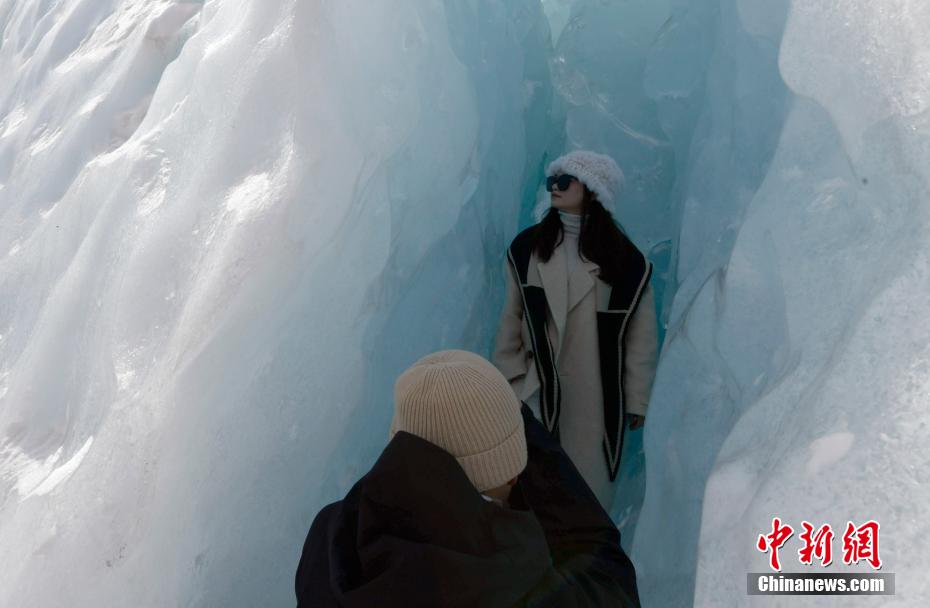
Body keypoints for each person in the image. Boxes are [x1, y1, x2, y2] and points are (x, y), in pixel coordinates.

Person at [295, 349, 640, 607]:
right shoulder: (514, 580)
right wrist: (522, 427)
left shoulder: (330, 536)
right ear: (506, 472)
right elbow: (610, 578)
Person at [493, 149, 659, 513]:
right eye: (552, 180)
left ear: (593, 190)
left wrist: (637, 399)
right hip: (535, 388)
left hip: (595, 397)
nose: (555, 187)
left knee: (587, 492)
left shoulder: (627, 262)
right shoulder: (526, 249)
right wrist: (510, 380)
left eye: (565, 181)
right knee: (531, 486)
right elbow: (511, 320)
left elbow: (640, 338)